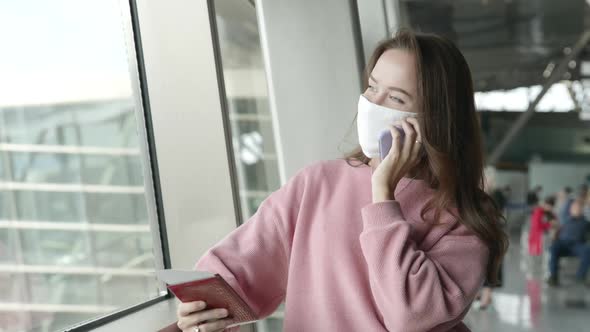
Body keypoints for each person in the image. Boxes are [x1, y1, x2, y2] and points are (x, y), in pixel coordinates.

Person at [176, 30, 508, 332]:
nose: (371, 104)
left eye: (396, 99)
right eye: (372, 87)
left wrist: (382, 196)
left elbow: (409, 316)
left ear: (435, 120)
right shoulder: (317, 183)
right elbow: (236, 266)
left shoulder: (465, 218)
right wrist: (201, 307)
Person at [547, 196, 590, 286]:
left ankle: (580, 276)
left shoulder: (586, 222)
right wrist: (554, 236)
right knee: (553, 248)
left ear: (582, 210)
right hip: (563, 244)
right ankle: (553, 277)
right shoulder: (565, 220)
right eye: (574, 208)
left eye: (578, 208)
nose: (576, 209)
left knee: (587, 250)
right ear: (570, 209)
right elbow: (557, 231)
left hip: (577, 245)